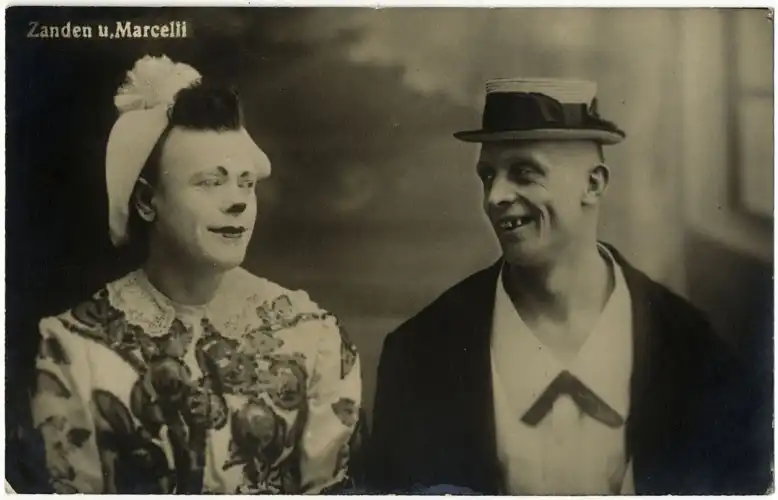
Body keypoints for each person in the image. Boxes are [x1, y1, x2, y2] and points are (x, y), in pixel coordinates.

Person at [367, 78, 767, 495]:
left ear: (593, 185)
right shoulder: (420, 354)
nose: (495, 197)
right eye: (488, 176)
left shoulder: (695, 352)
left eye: (524, 173)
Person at [28, 55, 364, 494]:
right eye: (210, 182)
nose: (237, 201)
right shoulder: (74, 348)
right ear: (147, 202)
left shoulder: (312, 335)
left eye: (246, 183)